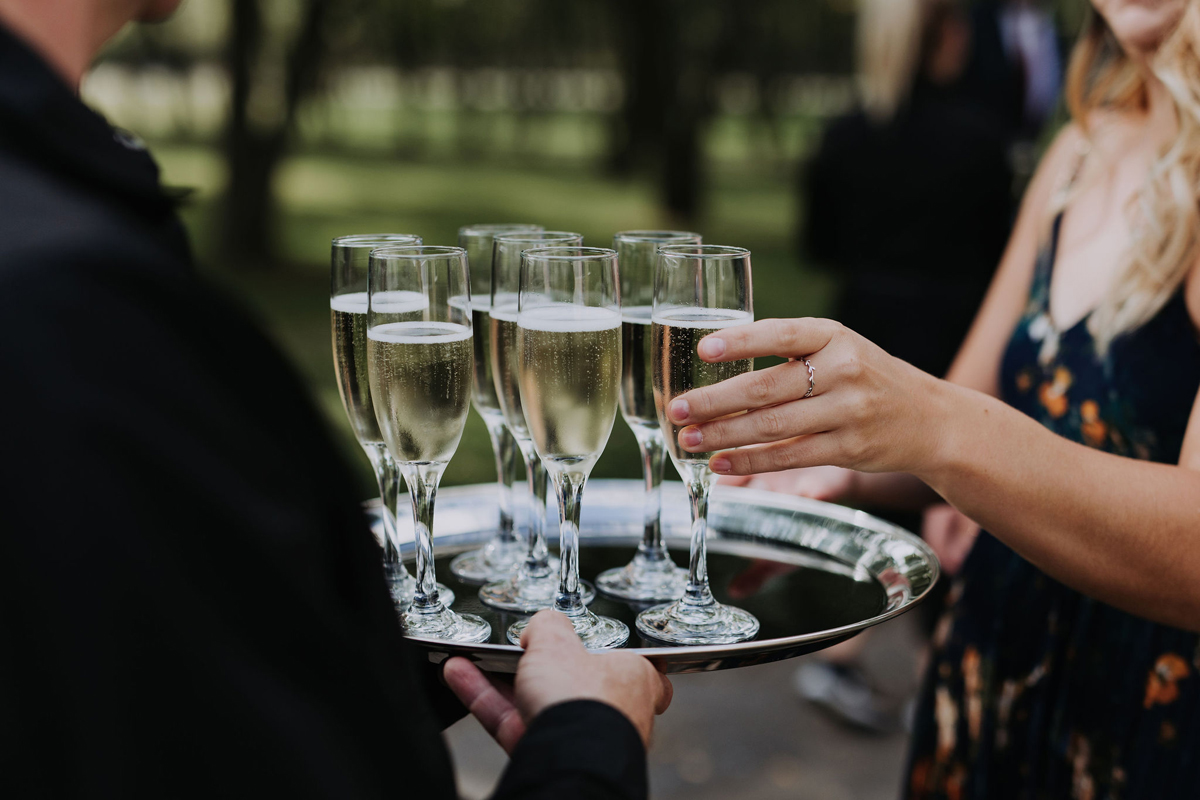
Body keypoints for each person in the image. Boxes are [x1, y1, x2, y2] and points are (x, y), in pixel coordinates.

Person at [0, 1, 670, 796]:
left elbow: (182, 702)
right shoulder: (66, 300)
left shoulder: (60, 227)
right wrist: (591, 744)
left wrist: (377, 687)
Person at [673, 0, 1200, 795]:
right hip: (989, 671)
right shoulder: (1075, 157)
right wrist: (839, 472)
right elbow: (964, 437)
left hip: (1144, 716)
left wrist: (931, 421)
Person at [805, 0, 1013, 382]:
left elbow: (818, 246)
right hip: (955, 348)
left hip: (860, 339)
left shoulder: (842, 137)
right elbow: (1002, 257)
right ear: (947, 37)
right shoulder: (981, 141)